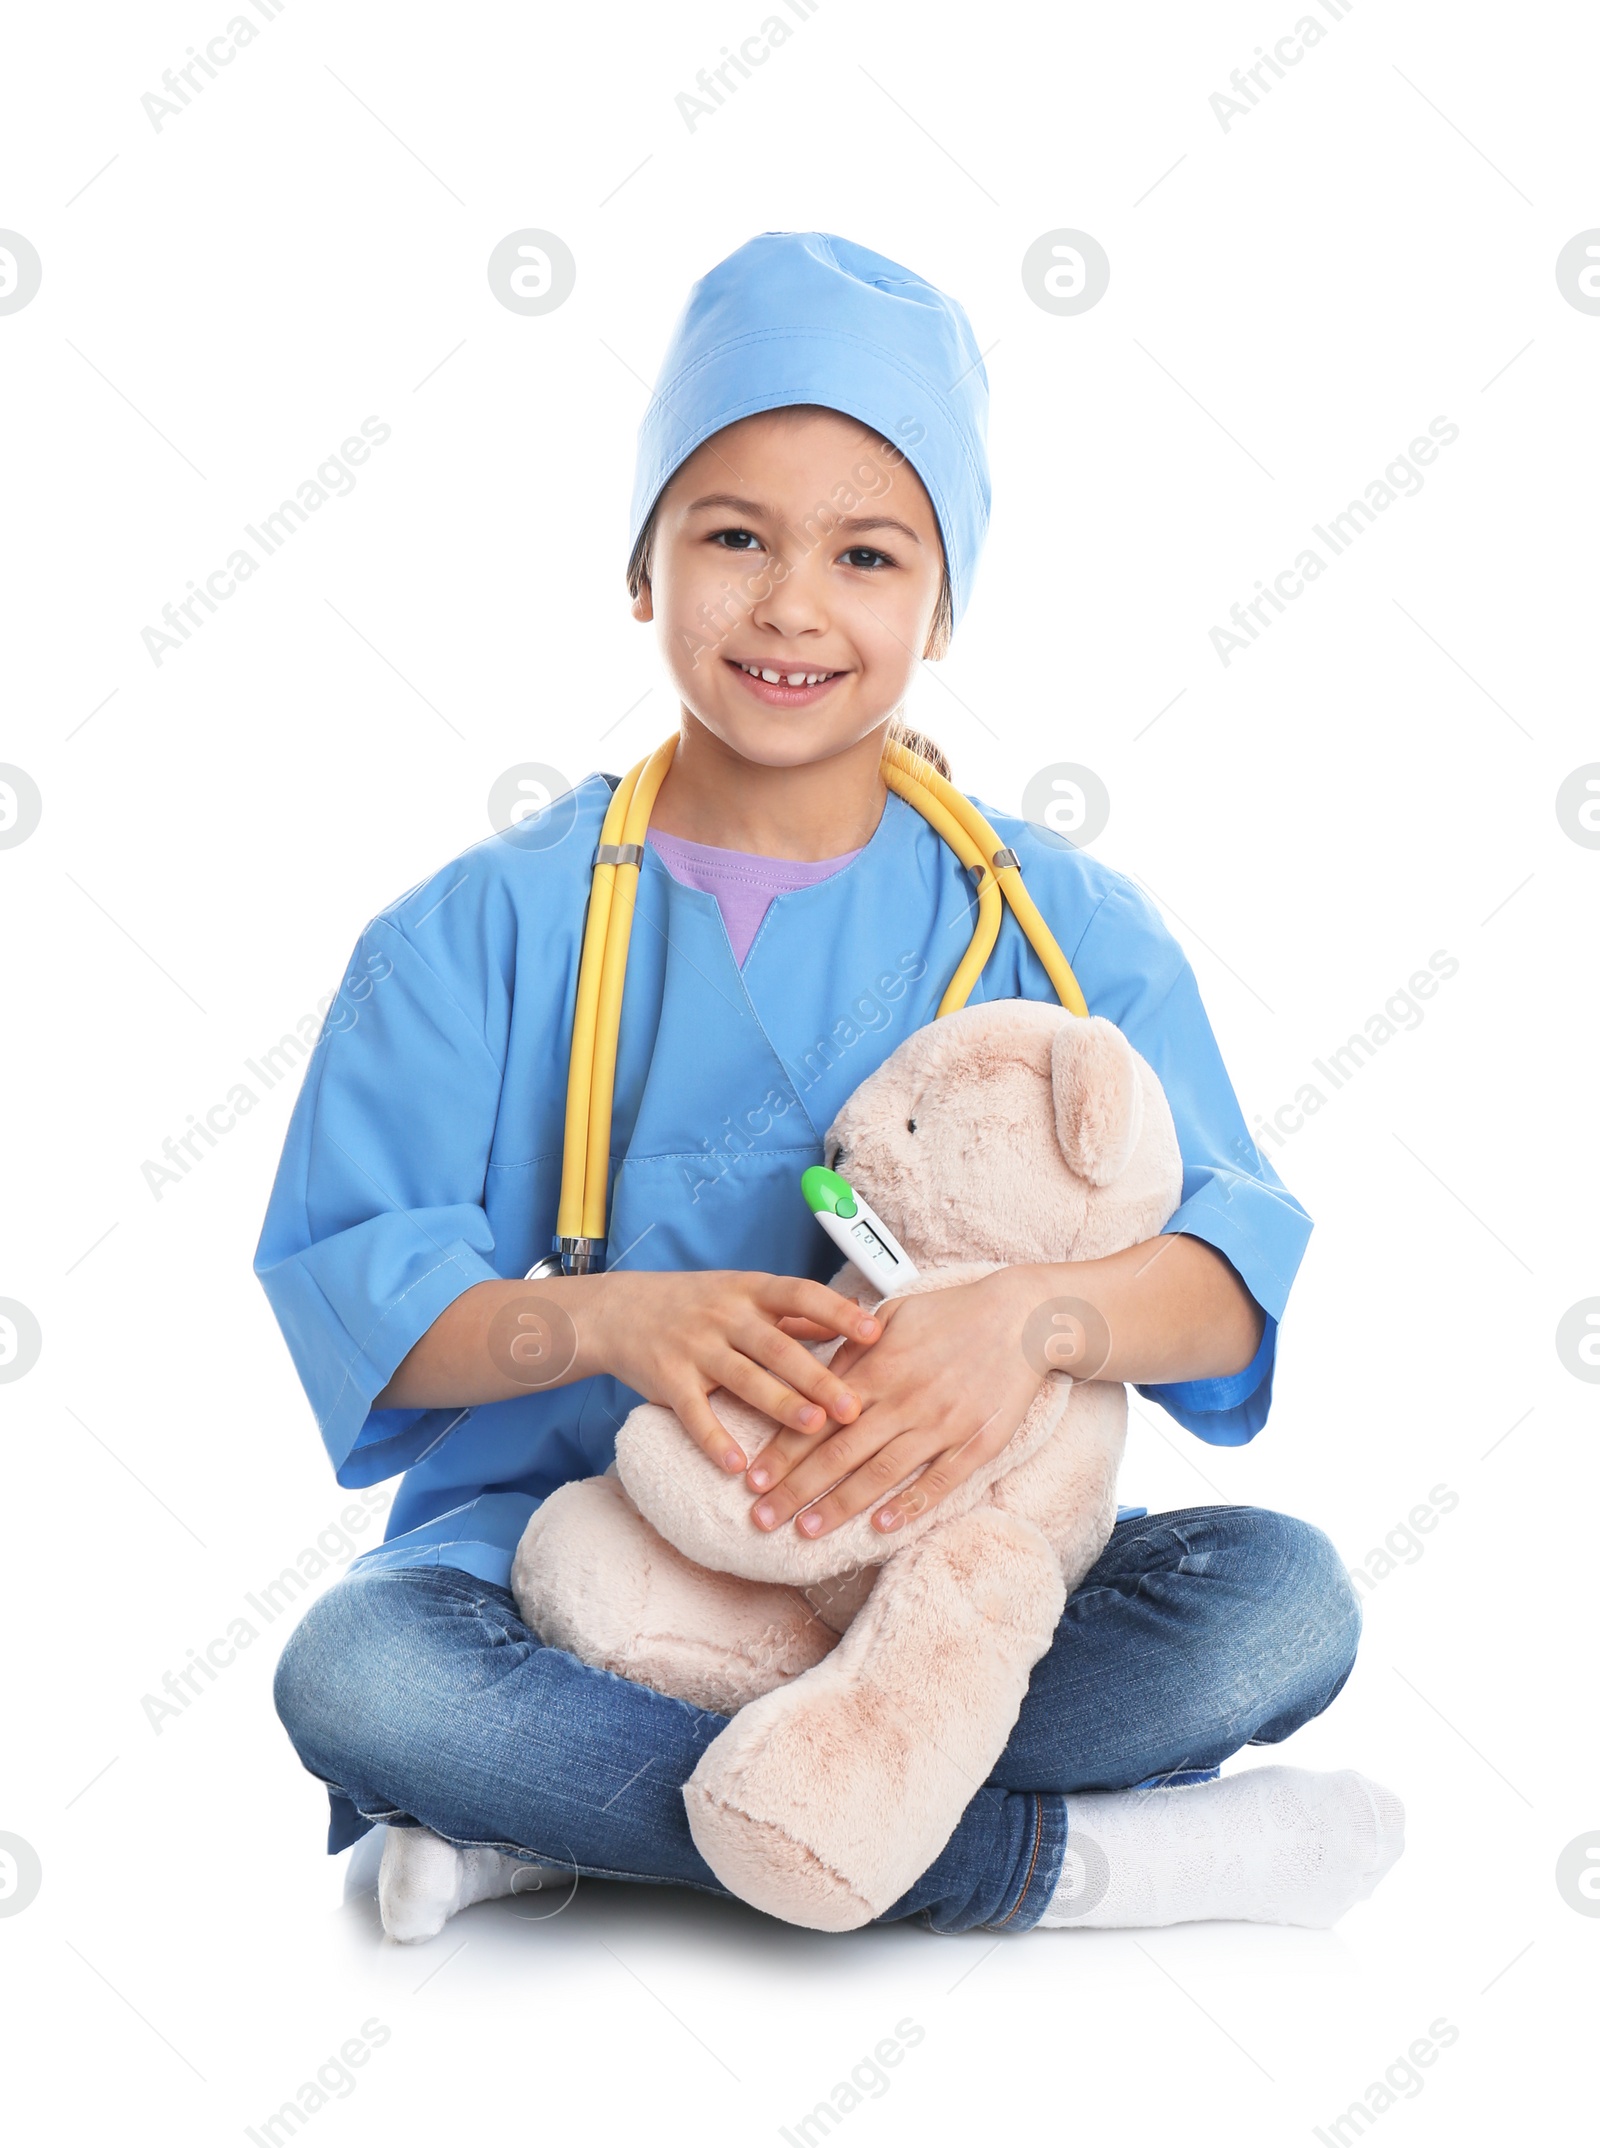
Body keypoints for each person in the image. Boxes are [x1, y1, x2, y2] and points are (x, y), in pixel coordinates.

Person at [262, 232, 1400, 1945]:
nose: (793, 605)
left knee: (1278, 1605)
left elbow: (1226, 1289)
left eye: (867, 554)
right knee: (365, 1678)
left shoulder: (1059, 927)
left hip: (924, 1572)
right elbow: (362, 1293)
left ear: (941, 605)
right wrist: (606, 1325)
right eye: (733, 537)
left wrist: (1032, 1321)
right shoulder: (476, 933)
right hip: (563, 1565)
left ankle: (557, 1823)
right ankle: (1065, 1865)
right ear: (643, 568)